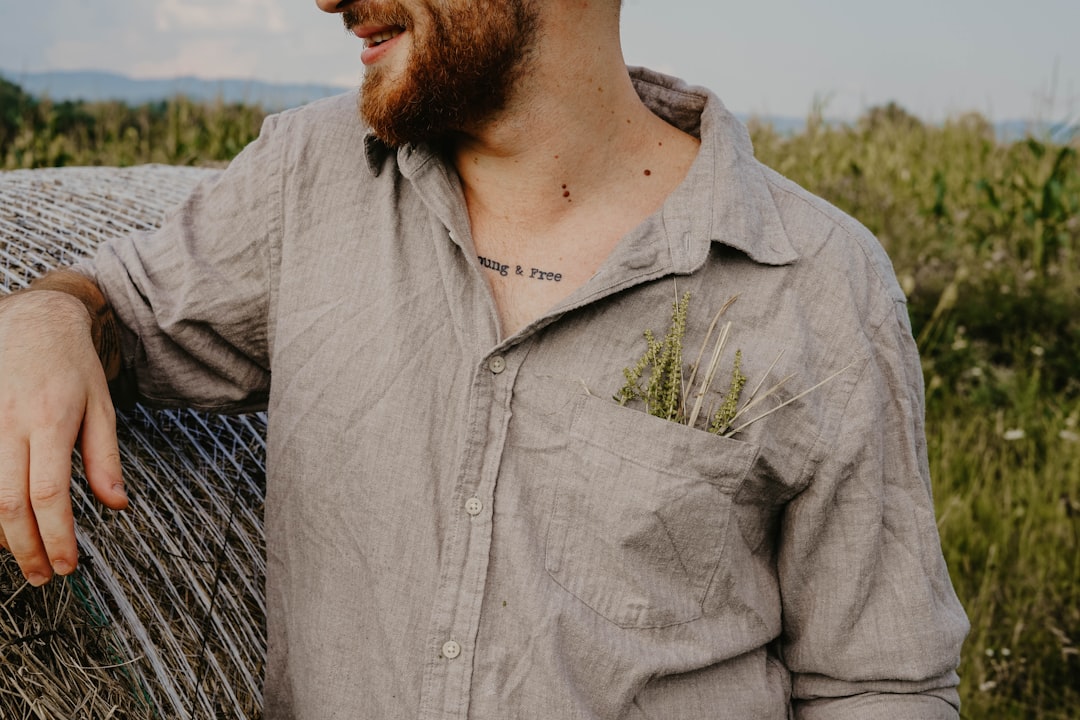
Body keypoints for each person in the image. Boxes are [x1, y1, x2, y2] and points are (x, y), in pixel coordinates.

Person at [0, 0, 969, 717]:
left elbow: (879, 682)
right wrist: (49, 313)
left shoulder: (817, 282)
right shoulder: (304, 180)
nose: (329, 0)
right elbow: (116, 308)